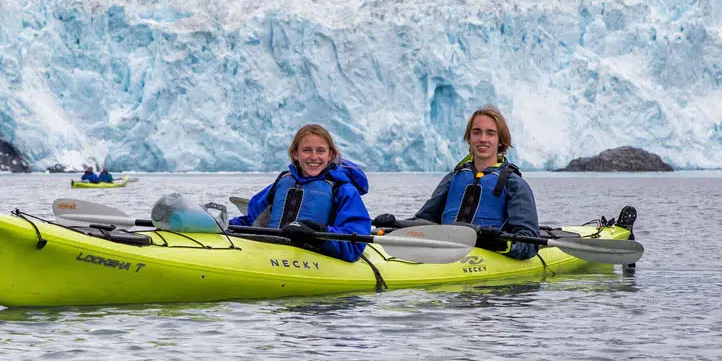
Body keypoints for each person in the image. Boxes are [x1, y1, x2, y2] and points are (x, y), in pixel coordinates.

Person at [400, 106, 539, 260]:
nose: (483, 139)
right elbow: (426, 220)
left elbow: (529, 244)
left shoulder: (514, 184)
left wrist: (496, 243)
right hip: (445, 250)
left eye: (490, 133)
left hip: (487, 256)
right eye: (477, 132)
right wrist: (394, 225)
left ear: (500, 140)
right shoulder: (453, 178)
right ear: (469, 138)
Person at [231, 124, 372, 262]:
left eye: (320, 151)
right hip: (270, 252)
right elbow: (252, 220)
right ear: (295, 154)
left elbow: (355, 242)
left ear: (331, 155)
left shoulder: (343, 190)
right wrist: (224, 225)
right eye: (307, 150)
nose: (314, 157)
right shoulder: (282, 183)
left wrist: (318, 232)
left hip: (314, 258)